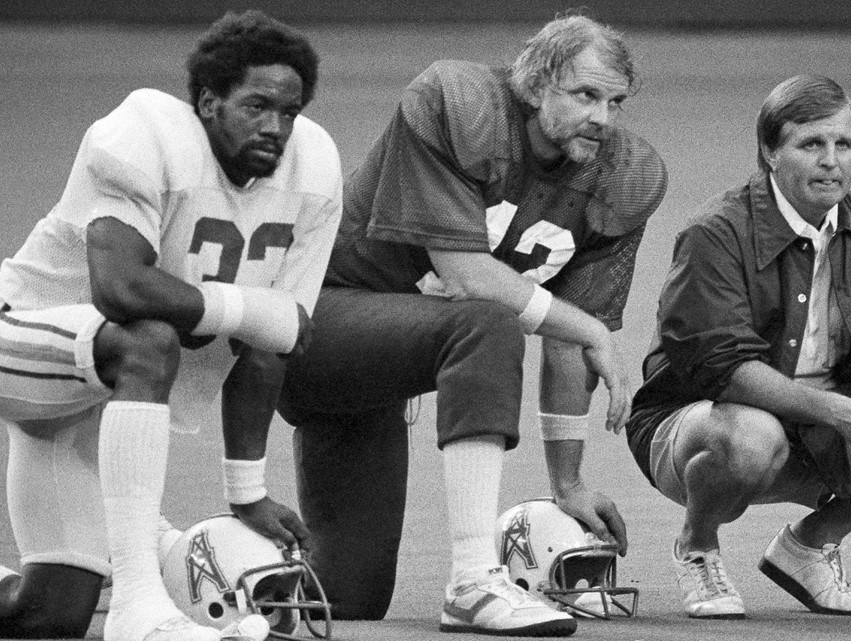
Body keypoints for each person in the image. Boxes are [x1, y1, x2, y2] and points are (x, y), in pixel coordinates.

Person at [277, 13, 667, 636]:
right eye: (586, 95)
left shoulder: (624, 175)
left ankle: (182, 556)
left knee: (348, 594)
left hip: (393, 369)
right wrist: (590, 330)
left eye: (616, 101)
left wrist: (567, 482)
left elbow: (571, 330)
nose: (604, 117)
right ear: (536, 85)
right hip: (321, 323)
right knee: (487, 322)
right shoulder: (458, 103)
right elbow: (464, 274)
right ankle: (471, 581)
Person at [0, 11, 342, 640]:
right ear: (208, 101)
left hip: (92, 406)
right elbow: (121, 288)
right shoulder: (144, 132)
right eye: (257, 106)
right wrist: (249, 309)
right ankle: (136, 603)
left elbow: (271, 346)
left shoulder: (313, 172)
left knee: (47, 618)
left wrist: (247, 491)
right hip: (21, 339)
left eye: (289, 113)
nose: (275, 127)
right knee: (147, 337)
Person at [625, 74, 851, 620]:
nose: (831, 161)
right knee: (752, 434)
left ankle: (807, 547)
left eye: (844, 144)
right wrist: (843, 413)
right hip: (701, 428)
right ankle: (696, 545)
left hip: (821, 431)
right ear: (770, 151)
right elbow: (724, 369)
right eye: (811, 144)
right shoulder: (715, 232)